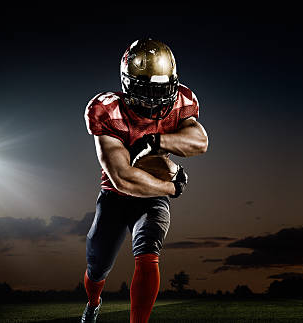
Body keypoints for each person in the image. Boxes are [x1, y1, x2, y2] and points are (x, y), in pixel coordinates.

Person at [81, 38, 208, 323]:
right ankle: (93, 304)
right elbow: (122, 178)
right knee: (98, 266)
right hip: (115, 195)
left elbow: (200, 141)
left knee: (148, 251)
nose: (155, 99)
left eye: (162, 90)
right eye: (147, 91)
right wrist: (172, 186)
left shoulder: (182, 100)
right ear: (127, 84)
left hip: (151, 197)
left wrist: (154, 142)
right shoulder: (107, 109)